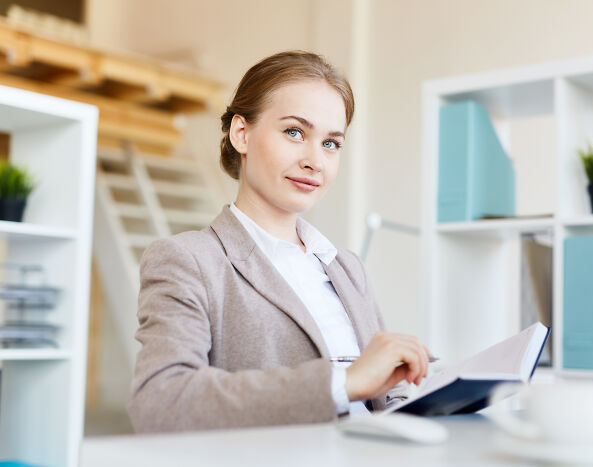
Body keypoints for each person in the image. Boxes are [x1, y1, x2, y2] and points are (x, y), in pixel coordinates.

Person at [127, 51, 431, 433]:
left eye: (331, 144)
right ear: (242, 134)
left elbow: (385, 397)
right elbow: (161, 402)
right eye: (294, 132)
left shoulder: (346, 267)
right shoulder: (188, 260)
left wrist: (433, 396)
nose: (315, 161)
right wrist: (343, 382)